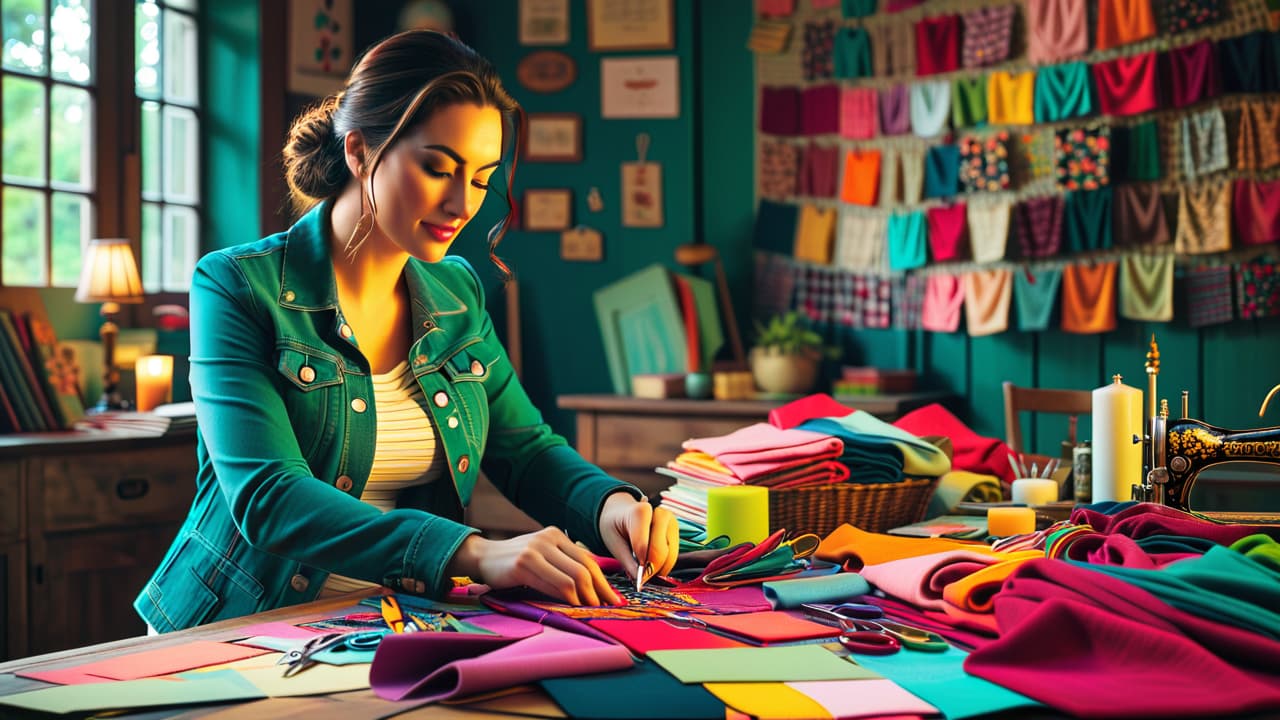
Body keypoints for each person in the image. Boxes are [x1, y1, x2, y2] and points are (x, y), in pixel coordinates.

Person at [134, 30, 678, 632]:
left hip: (385, 630)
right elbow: (269, 497)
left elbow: (525, 450)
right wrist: (472, 552)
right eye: (438, 168)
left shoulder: (457, 291)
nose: (462, 205)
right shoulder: (236, 285)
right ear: (360, 151)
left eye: (480, 179)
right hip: (242, 632)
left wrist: (610, 505)